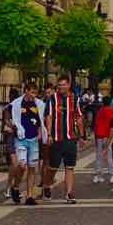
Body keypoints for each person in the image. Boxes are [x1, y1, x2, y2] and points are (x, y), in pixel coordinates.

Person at [7, 82, 48, 206]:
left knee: (32, 168)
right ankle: (15, 186)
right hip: (21, 139)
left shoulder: (39, 104)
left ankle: (29, 196)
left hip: (34, 139)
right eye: (32, 92)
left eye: (35, 93)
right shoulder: (16, 104)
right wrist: (11, 126)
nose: (34, 95)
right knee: (22, 165)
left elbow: (41, 120)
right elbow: (6, 115)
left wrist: (41, 133)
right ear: (26, 91)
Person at [43, 76, 82, 204]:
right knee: (53, 167)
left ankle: (69, 193)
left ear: (69, 85)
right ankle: (47, 185)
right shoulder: (52, 99)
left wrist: (82, 135)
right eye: (59, 85)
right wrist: (48, 134)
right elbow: (48, 117)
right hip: (56, 139)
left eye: (63, 85)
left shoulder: (75, 98)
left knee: (69, 167)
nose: (61, 87)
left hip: (70, 139)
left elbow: (78, 117)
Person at [91, 94, 113, 184]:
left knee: (99, 156)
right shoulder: (112, 111)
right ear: (110, 102)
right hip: (108, 136)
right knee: (110, 155)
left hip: (99, 135)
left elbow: (96, 124)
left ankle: (98, 175)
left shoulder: (100, 111)